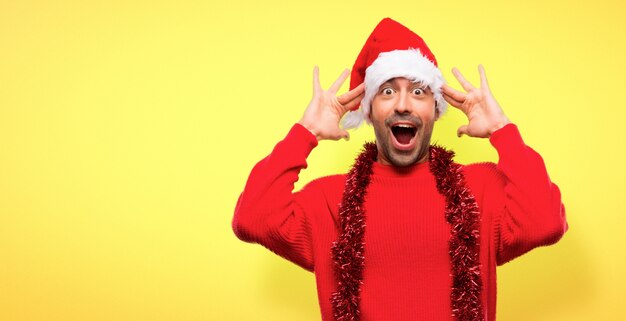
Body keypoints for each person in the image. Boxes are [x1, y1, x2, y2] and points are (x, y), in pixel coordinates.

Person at [232, 18, 567, 321]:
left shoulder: (480, 189)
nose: (403, 104)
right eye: (387, 91)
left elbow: (546, 223)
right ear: (369, 111)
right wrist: (305, 133)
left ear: (435, 110)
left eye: (419, 91)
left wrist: (501, 129)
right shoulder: (328, 200)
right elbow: (253, 218)